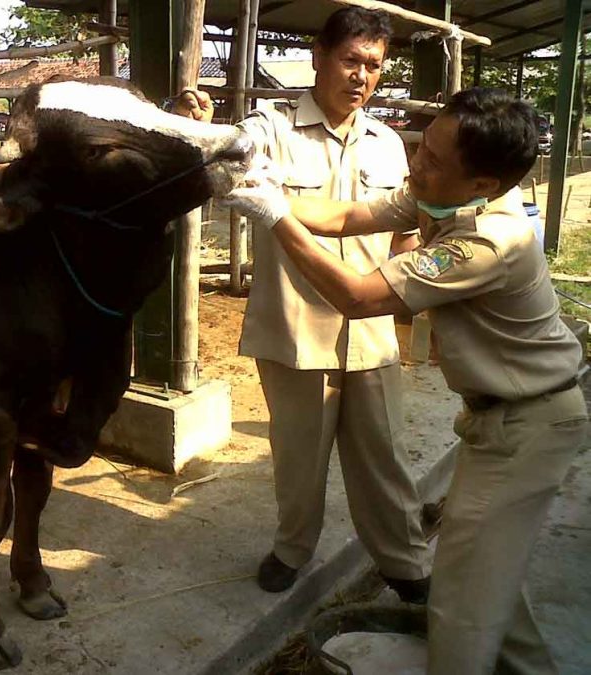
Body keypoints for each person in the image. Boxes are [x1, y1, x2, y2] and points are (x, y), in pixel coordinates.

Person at [222, 86, 589, 674]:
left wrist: (275, 217)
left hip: (527, 427)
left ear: (483, 185)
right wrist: (268, 190)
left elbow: (357, 295)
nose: (416, 164)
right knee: (490, 584)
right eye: (422, 148)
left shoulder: (488, 239)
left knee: (463, 604)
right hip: (504, 420)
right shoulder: (438, 198)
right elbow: (345, 215)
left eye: (435, 161)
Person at [176, 6, 430, 600]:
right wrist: (202, 129)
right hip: (294, 331)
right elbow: (228, 155)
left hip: (370, 333)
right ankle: (293, 550)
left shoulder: (389, 143)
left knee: (386, 460)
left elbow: (404, 232)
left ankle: (406, 564)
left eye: (374, 66)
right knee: (299, 462)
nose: (361, 76)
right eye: (350, 60)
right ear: (319, 55)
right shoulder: (273, 128)